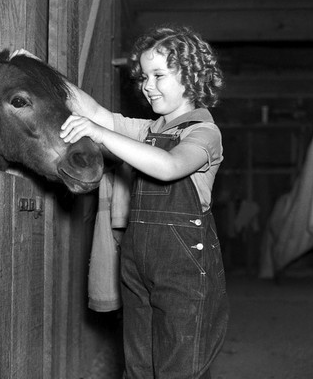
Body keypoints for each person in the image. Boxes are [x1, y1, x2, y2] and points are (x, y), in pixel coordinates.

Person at [60, 24, 229, 379]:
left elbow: (168, 167)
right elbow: (101, 116)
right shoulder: (151, 131)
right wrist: (41, 73)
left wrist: (101, 133)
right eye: (143, 77)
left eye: (158, 75)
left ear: (192, 77)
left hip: (182, 268)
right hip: (137, 263)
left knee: (178, 365)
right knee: (139, 365)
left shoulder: (203, 133)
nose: (146, 86)